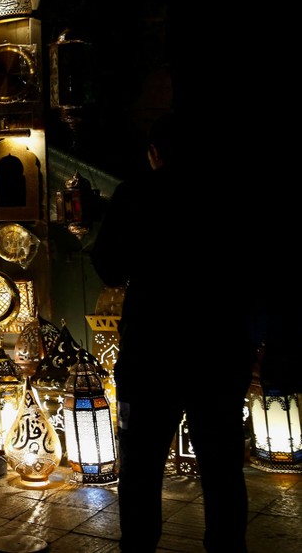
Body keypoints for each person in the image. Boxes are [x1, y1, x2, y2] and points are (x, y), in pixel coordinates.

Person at [91, 113, 255, 552]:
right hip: (219, 347)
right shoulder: (228, 196)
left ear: (154, 154)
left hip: (151, 349)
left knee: (142, 466)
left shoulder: (135, 195)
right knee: (222, 468)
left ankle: (140, 546)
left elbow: (108, 267)